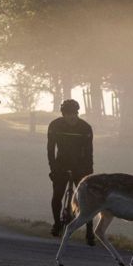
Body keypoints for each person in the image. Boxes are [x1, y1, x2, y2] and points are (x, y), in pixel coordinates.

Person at [47, 99, 94, 244]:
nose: (71, 116)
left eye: (74, 113)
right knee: (58, 195)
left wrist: (90, 171)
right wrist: (53, 168)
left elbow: (89, 151)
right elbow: (50, 149)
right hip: (61, 164)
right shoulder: (55, 125)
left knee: (86, 199)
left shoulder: (85, 128)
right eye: (68, 114)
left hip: (80, 165)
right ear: (63, 114)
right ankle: (57, 224)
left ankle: (89, 232)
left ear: (77, 113)